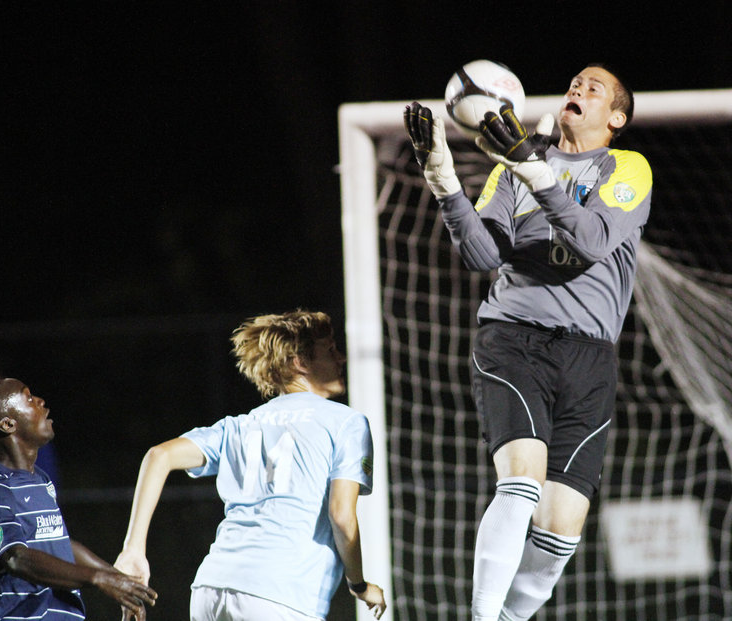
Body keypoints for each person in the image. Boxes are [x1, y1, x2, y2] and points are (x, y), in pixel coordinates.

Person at [404, 63, 652, 621]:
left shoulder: (625, 167)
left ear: (616, 117)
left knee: (562, 525)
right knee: (522, 478)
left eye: (595, 89)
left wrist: (532, 167)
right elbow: (483, 256)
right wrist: (444, 179)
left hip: (590, 357)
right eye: (575, 83)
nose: (578, 89)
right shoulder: (513, 167)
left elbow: (589, 240)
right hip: (513, 339)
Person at [114, 310, 387, 621]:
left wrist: (133, 550)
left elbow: (158, 456)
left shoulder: (240, 425)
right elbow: (341, 515)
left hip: (210, 590)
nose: (342, 359)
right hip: (281, 596)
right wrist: (358, 584)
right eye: (331, 350)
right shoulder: (346, 422)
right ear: (300, 363)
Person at [0, 378, 158, 621]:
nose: (41, 401)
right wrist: (98, 578)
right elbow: (16, 558)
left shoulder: (39, 480)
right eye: (29, 398)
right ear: (8, 424)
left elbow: (55, 541)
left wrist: (119, 580)